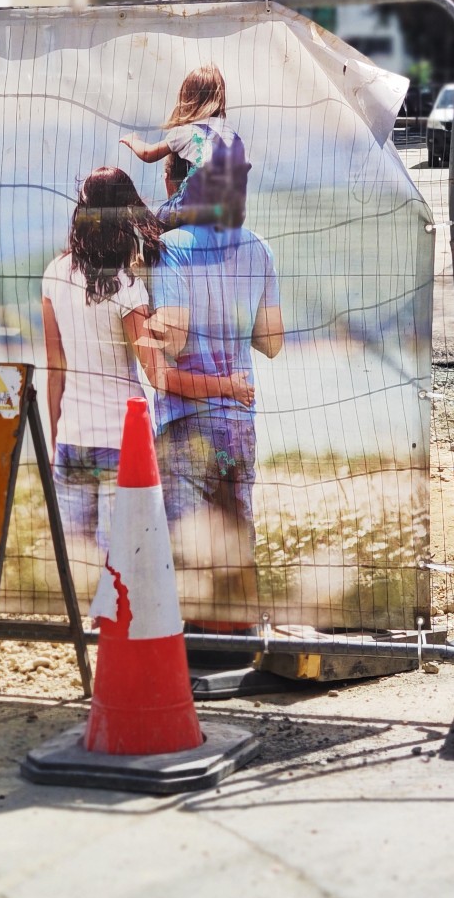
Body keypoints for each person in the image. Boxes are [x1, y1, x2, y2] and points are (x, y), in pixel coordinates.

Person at [41, 168, 253, 565]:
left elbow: (55, 369)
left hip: (71, 439)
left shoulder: (54, 274)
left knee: (75, 566)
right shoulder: (126, 288)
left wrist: (55, 441)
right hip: (122, 442)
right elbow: (160, 377)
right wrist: (228, 386)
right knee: (116, 566)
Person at [148, 160, 282, 616]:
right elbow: (272, 342)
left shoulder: (172, 248)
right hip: (238, 420)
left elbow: (174, 338)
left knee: (187, 538)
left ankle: (194, 648)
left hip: (185, 421)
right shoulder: (259, 248)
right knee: (236, 531)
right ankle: (242, 636)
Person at [120, 63, 250, 229]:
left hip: (194, 208)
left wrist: (133, 140)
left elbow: (147, 154)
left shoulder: (186, 132)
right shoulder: (233, 137)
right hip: (230, 209)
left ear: (187, 98)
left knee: (159, 219)